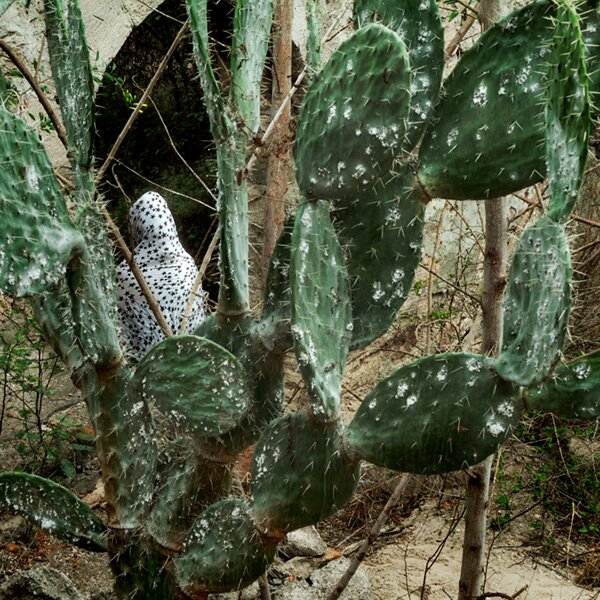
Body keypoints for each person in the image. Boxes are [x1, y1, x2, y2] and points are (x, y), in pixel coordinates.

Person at [116, 191, 206, 362]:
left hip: (149, 370)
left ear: (137, 226)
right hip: (194, 364)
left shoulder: (127, 274)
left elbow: (122, 336)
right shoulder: (188, 265)